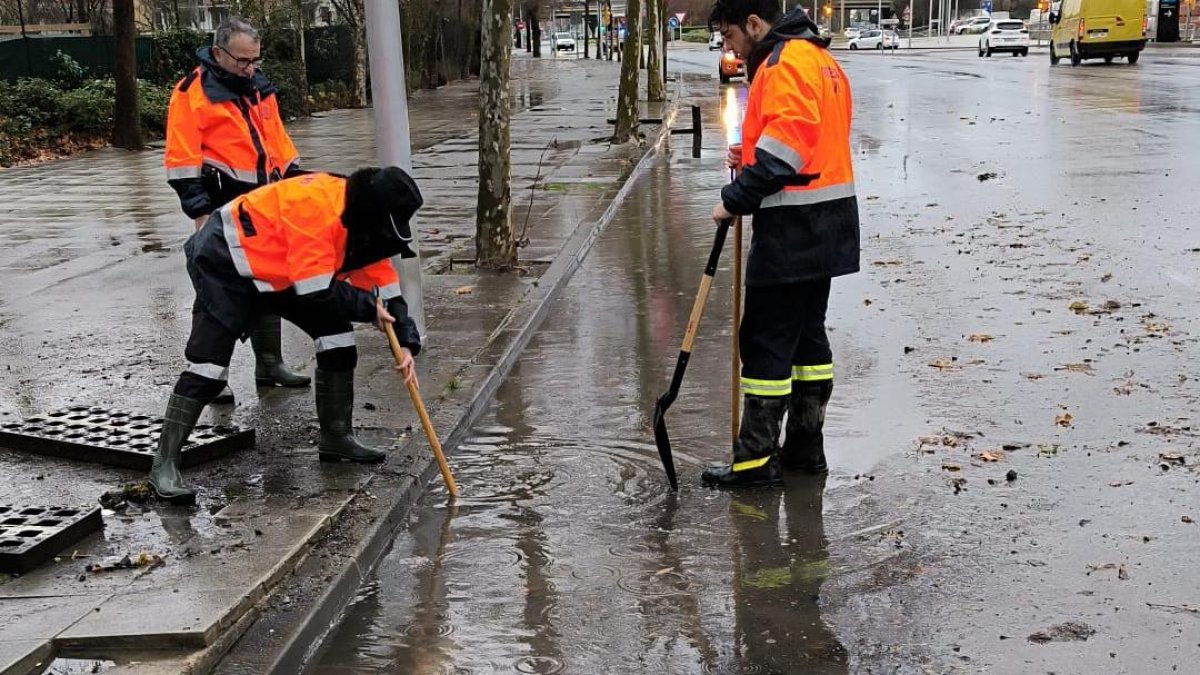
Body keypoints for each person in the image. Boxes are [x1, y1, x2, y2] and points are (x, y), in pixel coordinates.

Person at [148, 168, 424, 504]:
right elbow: (317, 292)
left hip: (281, 266)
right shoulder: (316, 210)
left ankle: (337, 438)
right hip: (226, 260)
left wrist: (406, 343)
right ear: (373, 214)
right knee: (208, 368)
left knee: (337, 337)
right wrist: (368, 308)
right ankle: (164, 464)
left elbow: (386, 290)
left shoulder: (366, 224)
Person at [704, 0, 860, 488]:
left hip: (793, 228)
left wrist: (736, 197)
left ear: (754, 23)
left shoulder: (782, 63)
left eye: (729, 36)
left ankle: (754, 461)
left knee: (767, 341)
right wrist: (748, 154)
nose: (727, 47)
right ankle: (805, 451)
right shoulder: (820, 60)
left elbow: (787, 152)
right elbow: (805, 138)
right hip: (830, 224)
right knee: (808, 341)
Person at [164, 17, 310, 404]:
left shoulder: (260, 87)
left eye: (255, 61)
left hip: (264, 200)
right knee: (217, 289)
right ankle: (213, 376)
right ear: (218, 53)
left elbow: (278, 142)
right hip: (221, 203)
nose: (251, 68)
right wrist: (199, 212)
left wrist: (294, 182)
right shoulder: (191, 93)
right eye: (243, 61)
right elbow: (181, 160)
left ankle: (269, 363)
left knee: (268, 276)